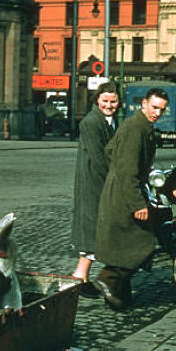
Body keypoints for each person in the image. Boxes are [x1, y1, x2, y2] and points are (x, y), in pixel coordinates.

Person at [93, 87, 169, 310]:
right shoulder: (135, 128)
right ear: (144, 103)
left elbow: (109, 151)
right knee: (142, 243)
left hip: (120, 191)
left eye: (162, 110)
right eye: (154, 107)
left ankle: (119, 297)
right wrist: (137, 204)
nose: (157, 113)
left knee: (121, 244)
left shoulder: (140, 126)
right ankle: (107, 280)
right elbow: (128, 170)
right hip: (124, 196)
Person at [71, 81, 120, 297]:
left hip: (101, 181)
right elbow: (99, 159)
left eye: (113, 101)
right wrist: (116, 179)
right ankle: (80, 278)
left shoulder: (110, 120)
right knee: (91, 227)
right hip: (94, 182)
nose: (109, 105)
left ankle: (80, 276)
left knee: (95, 229)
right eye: (105, 101)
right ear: (97, 100)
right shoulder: (91, 122)